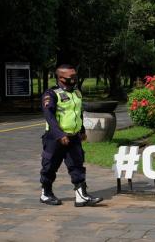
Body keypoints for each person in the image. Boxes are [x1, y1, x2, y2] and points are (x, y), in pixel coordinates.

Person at [39, 64, 103, 207]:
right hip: (55, 138)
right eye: (71, 77)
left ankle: (81, 196)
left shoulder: (77, 92)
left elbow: (78, 113)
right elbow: (49, 116)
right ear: (60, 78)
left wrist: (82, 130)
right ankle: (46, 193)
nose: (74, 79)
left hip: (73, 137)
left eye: (75, 76)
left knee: (77, 165)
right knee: (50, 166)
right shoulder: (51, 94)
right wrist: (59, 134)